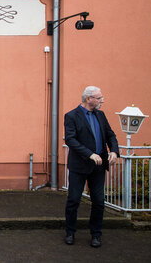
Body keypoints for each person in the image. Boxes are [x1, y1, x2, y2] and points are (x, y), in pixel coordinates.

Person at [64, 86, 119, 248]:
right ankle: (70, 232)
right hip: (79, 166)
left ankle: (96, 234)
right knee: (73, 200)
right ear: (88, 99)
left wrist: (114, 151)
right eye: (99, 97)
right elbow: (70, 140)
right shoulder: (71, 116)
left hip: (99, 167)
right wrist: (89, 154)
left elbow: (110, 135)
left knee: (99, 202)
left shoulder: (100, 115)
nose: (102, 100)